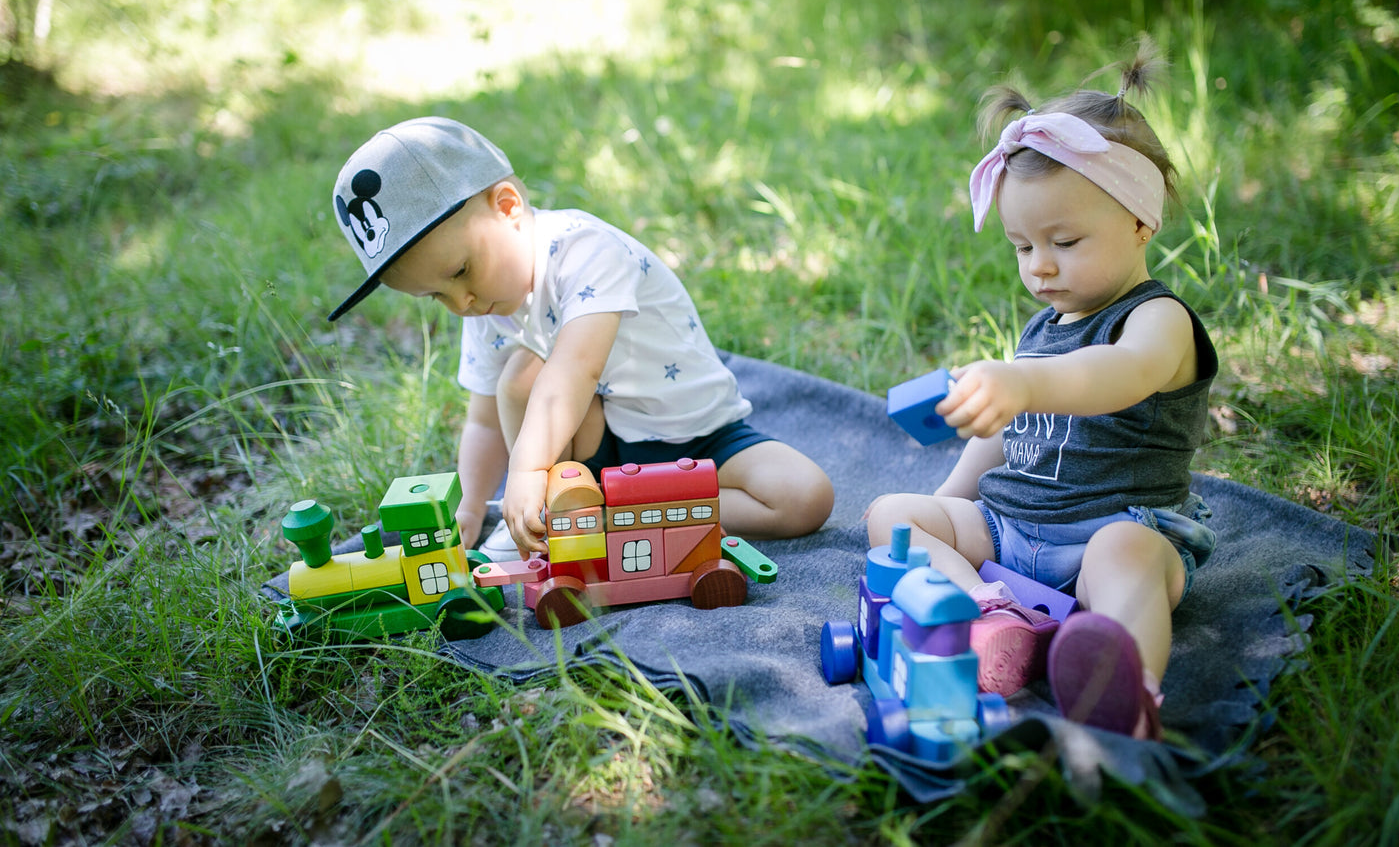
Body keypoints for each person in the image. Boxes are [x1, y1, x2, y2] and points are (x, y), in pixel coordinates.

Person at [865, 44, 1217, 740]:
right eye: (1022, 247)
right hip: (1009, 532)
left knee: (1127, 557)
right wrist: (947, 503)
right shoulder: (1041, 327)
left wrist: (1020, 380)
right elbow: (1002, 440)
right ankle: (990, 617)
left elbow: (1114, 377)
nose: (1041, 266)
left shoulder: (1156, 320)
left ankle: (1124, 686)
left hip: (1112, 529)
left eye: (1064, 240)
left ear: (1139, 222)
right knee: (892, 517)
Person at [326, 116, 834, 558]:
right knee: (519, 376)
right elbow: (483, 421)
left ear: (507, 206)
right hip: (603, 449)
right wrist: (472, 505)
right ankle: (568, 509)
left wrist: (526, 472)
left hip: (701, 436)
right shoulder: (482, 306)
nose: (463, 304)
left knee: (805, 497)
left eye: (460, 271)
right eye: (435, 296)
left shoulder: (584, 249)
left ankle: (629, 512)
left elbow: (574, 371)